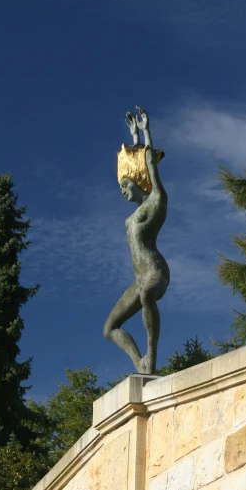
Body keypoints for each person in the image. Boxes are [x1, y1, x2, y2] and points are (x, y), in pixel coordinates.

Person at [103, 106, 169, 374]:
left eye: (125, 184)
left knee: (145, 296)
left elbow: (149, 164)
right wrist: (134, 141)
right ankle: (139, 363)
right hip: (139, 278)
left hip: (156, 271)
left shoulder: (156, 201)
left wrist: (146, 133)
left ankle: (152, 355)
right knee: (109, 328)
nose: (122, 190)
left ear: (139, 182)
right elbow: (139, 161)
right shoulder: (131, 218)